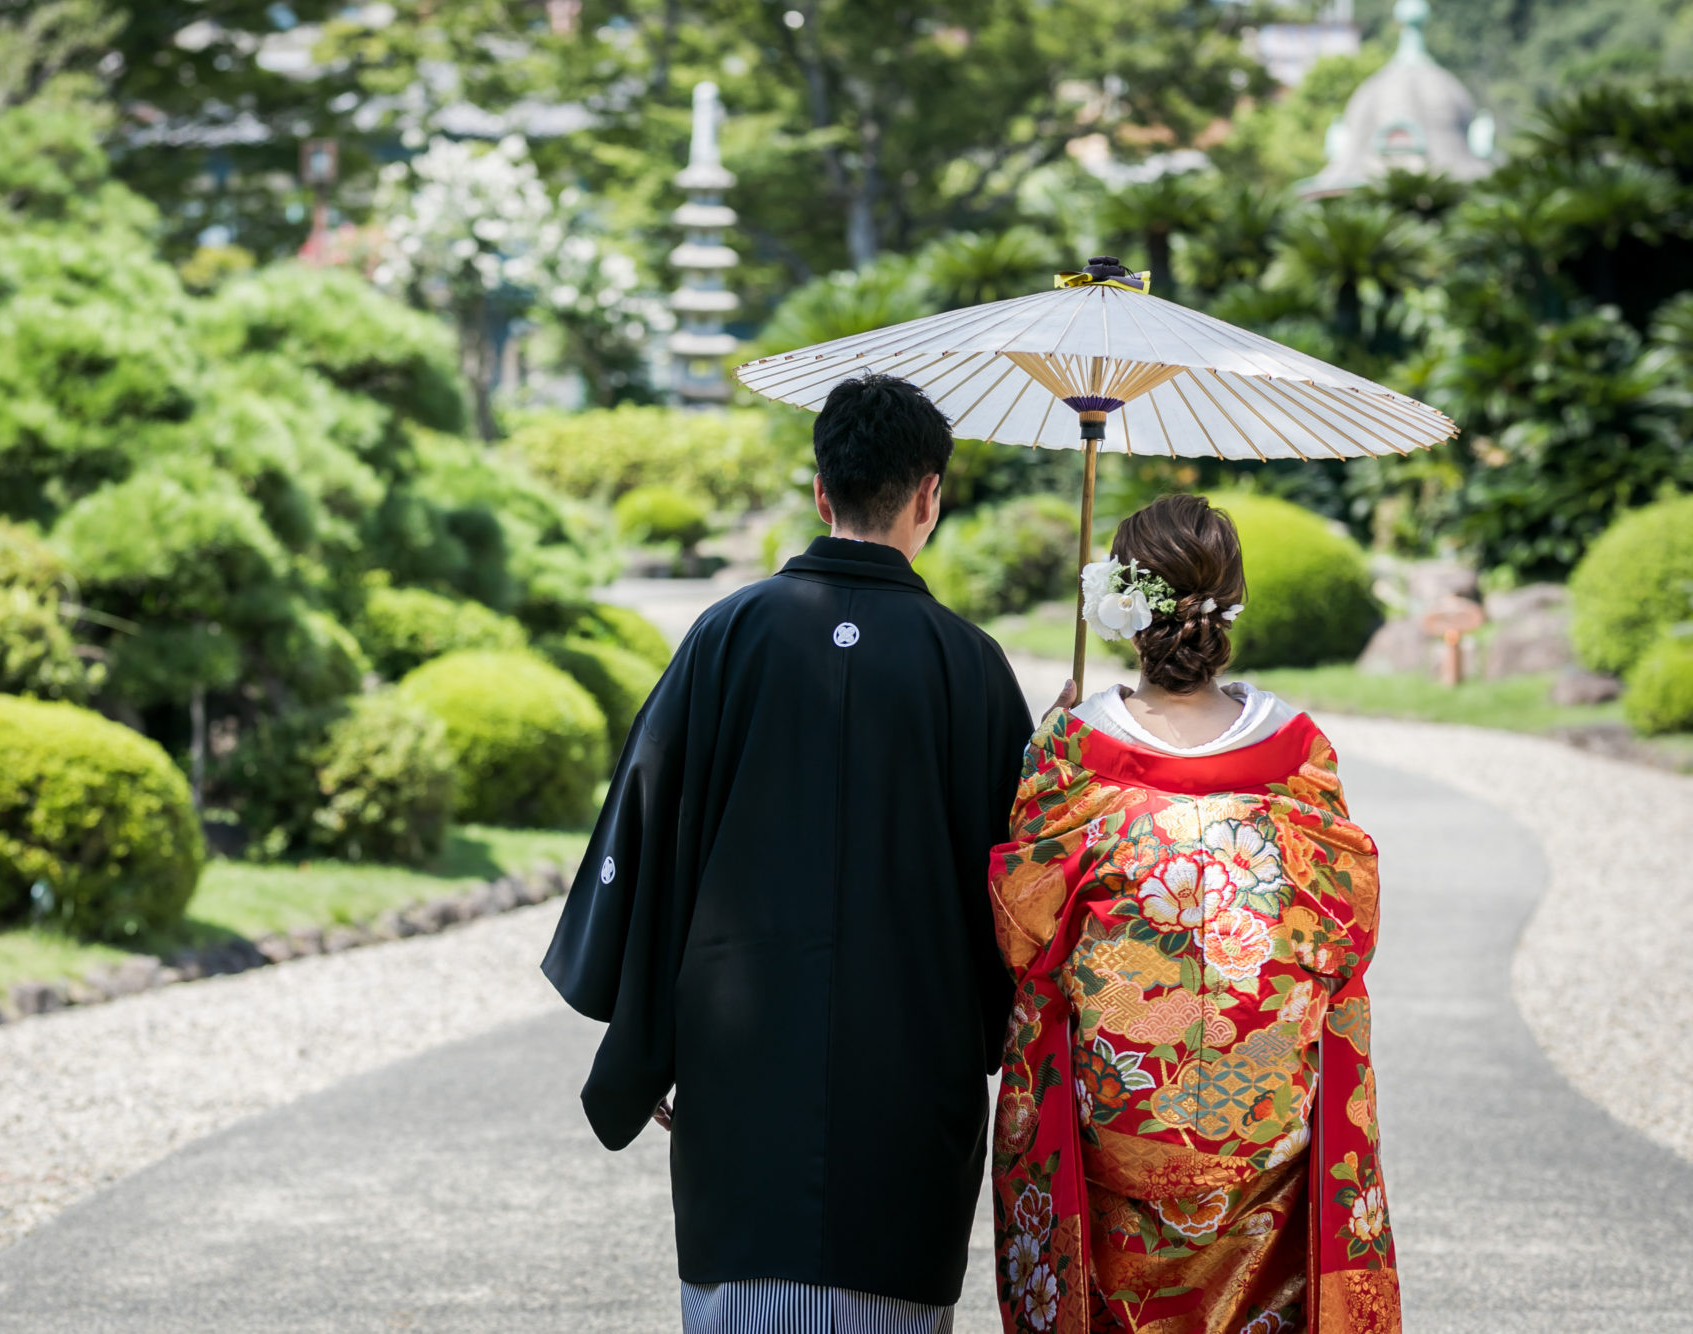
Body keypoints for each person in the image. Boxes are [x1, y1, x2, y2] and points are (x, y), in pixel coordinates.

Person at [543, 373, 1039, 1333]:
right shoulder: (970, 665)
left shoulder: (726, 636)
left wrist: (651, 1031)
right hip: (909, 1077)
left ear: (821, 492)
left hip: (740, 1067)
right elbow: (1022, 892)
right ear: (929, 496)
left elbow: (646, 835)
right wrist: (1056, 769)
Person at [987, 494, 1399, 1334]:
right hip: (1264, 1118)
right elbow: (1346, 928)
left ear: (1121, 606)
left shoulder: (1075, 752)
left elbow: (1022, 932)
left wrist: (1048, 752)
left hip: (1118, 1116)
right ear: (1231, 601)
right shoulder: (1296, 750)